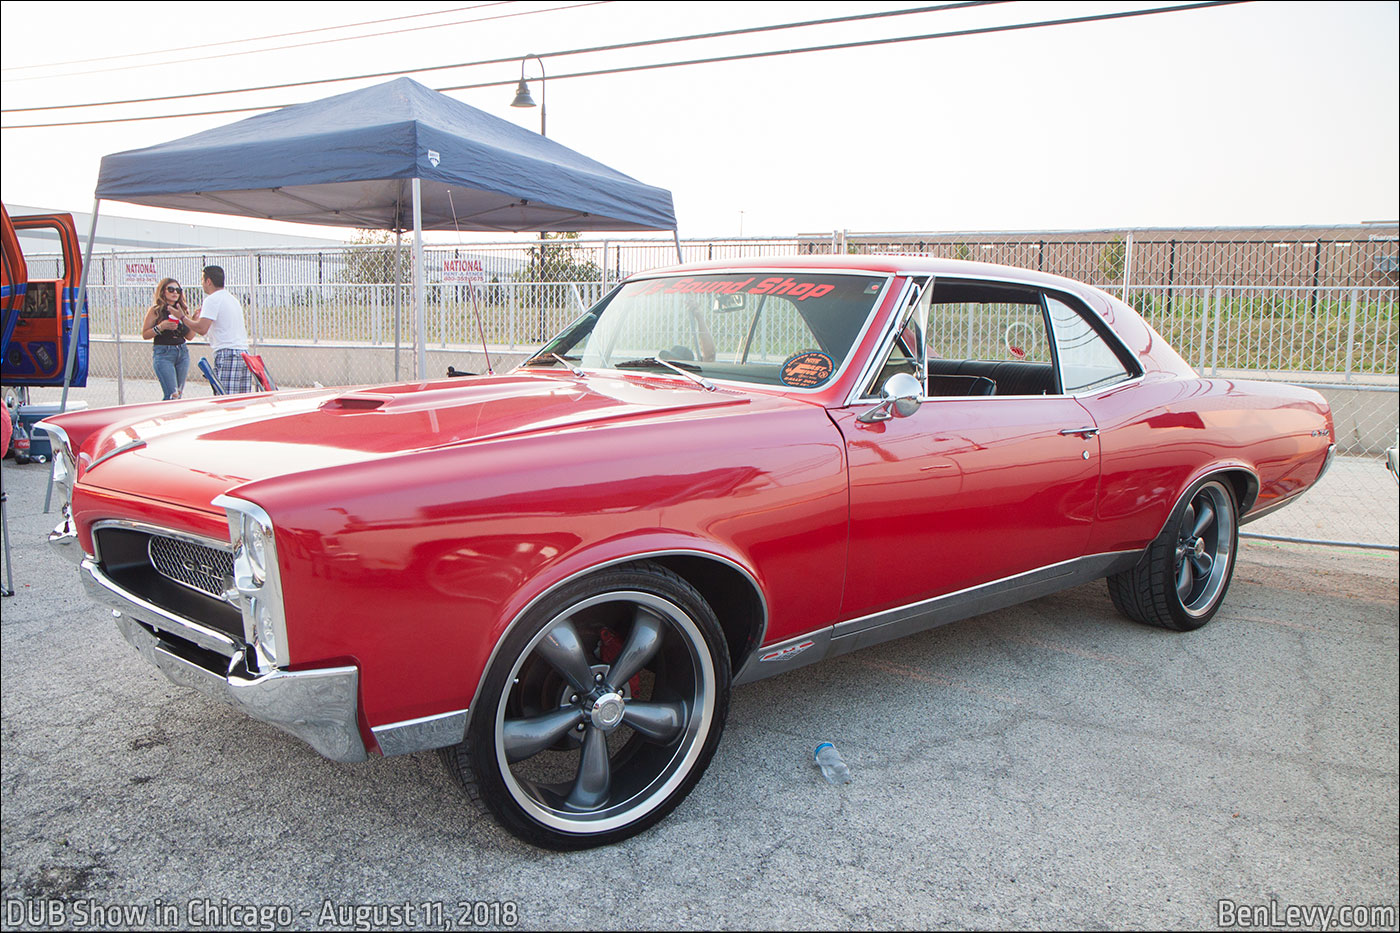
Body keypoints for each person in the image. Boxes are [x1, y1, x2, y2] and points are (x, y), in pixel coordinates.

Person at [184, 265, 255, 394]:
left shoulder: (212, 300)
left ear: (208, 281)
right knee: (240, 400)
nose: (202, 284)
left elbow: (202, 328)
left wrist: (182, 317)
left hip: (228, 354)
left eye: (202, 280)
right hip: (243, 353)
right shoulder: (231, 299)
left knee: (225, 400)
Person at [141, 277, 192, 399]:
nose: (175, 293)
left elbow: (190, 336)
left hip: (182, 352)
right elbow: (145, 334)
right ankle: (167, 417)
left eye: (178, 290)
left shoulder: (182, 311)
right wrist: (160, 327)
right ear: (163, 291)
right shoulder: (156, 311)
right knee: (172, 395)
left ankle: (175, 417)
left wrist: (194, 320)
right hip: (164, 353)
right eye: (171, 289)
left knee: (178, 395)